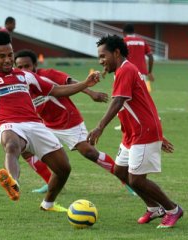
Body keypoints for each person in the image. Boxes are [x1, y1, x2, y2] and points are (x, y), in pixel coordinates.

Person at [0, 31, 100, 211]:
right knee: (11, 145)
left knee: (63, 168)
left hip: (35, 125)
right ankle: (13, 183)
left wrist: (84, 84)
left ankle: (48, 204)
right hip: (8, 124)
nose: (8, 60)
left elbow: (55, 90)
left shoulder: (26, 76)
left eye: (10, 55)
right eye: (2, 56)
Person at [88, 35, 183, 229]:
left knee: (137, 180)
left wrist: (100, 126)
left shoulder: (127, 70)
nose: (100, 61)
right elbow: (145, 102)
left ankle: (173, 209)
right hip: (133, 133)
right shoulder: (123, 70)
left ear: (116, 53)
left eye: (103, 56)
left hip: (143, 132)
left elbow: (118, 101)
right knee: (120, 171)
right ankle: (153, 207)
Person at [9, 49, 135, 195]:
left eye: (27, 66)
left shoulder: (47, 75)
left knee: (89, 153)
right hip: (45, 124)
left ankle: (127, 181)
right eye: (20, 67)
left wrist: (91, 93)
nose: (24, 70)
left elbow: (70, 82)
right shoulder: (17, 83)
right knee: (25, 150)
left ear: (35, 64)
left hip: (67, 121)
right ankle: (50, 182)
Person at [123, 23, 154, 93]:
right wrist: (150, 72)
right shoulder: (142, 41)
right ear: (134, 32)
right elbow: (150, 56)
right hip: (141, 73)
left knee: (126, 95)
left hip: (128, 72)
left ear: (124, 32)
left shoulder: (124, 41)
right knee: (142, 96)